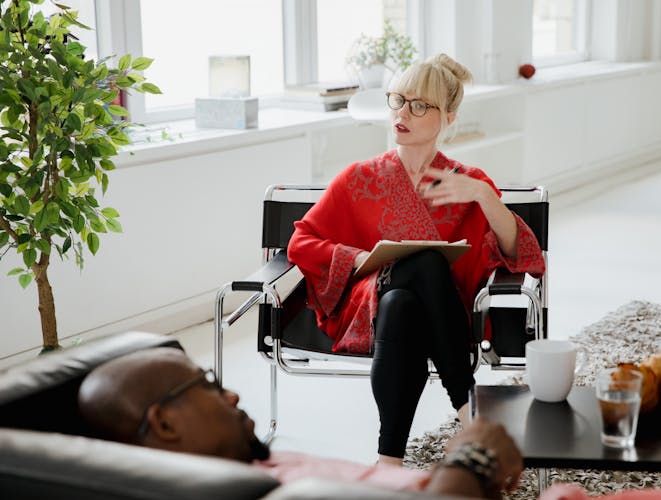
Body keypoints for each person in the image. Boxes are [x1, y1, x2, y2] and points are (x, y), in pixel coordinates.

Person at [286, 53, 546, 465]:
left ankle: (388, 459)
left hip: (434, 317)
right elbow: (302, 241)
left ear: (449, 116)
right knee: (419, 267)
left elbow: (519, 252)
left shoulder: (468, 181)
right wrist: (357, 259)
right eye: (397, 100)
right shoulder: (358, 177)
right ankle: (469, 412)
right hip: (365, 308)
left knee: (403, 301)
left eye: (420, 105)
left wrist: (483, 196)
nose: (403, 113)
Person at [77, 347, 523, 499]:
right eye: (209, 385)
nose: (231, 394)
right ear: (166, 424)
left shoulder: (252, 460)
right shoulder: (282, 493)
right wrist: (473, 456)